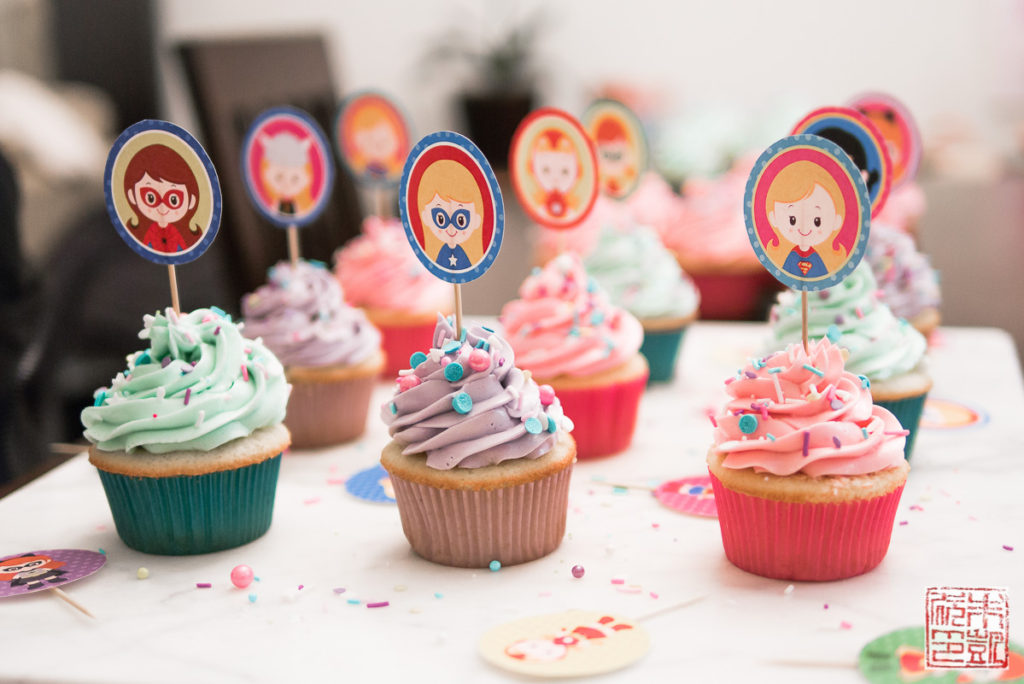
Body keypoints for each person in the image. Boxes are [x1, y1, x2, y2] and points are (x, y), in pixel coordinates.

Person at [764, 161, 847, 279]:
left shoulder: (818, 259)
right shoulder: (790, 256)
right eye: (792, 220)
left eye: (817, 221)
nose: (805, 228)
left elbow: (821, 278)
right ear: (774, 218)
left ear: (836, 221)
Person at [122, 144, 201, 254]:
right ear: (132, 196)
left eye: (173, 199)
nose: (162, 207)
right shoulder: (149, 234)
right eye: (150, 197)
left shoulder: (179, 236)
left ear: (191, 201)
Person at [416, 159, 485, 271]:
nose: (450, 227)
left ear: (477, 220)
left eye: (461, 220)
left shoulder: (465, 256)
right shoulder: (438, 255)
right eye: (440, 218)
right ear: (426, 217)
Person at [258, 131, 313, 217]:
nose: (287, 185)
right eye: (279, 177)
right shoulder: (273, 207)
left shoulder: (302, 209)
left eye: (295, 179)